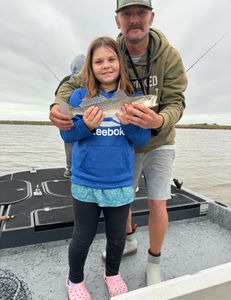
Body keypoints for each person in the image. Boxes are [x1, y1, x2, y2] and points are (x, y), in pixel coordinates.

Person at [50, 0, 188, 287]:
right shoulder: (113, 50)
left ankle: (153, 261)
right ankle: (122, 245)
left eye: (140, 13)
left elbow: (176, 102)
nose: (134, 19)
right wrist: (59, 105)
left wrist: (158, 120)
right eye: (127, 13)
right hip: (119, 147)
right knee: (119, 205)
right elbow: (74, 84)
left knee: (157, 201)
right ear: (118, 20)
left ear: (152, 16)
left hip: (159, 137)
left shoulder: (169, 56)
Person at [60, 36, 150, 299]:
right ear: (90, 65)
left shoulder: (131, 98)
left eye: (111, 59)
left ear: (120, 63)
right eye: (98, 61)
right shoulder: (79, 96)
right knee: (82, 237)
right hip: (86, 182)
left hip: (120, 182)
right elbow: (68, 136)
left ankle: (112, 273)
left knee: (117, 237)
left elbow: (143, 140)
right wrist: (85, 125)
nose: (106, 65)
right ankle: (74, 280)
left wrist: (129, 123)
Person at [55, 54, 85, 178]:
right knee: (70, 142)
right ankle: (71, 169)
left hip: (82, 118)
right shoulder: (67, 81)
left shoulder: (65, 79)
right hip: (68, 118)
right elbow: (58, 97)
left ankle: (71, 169)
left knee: (73, 144)